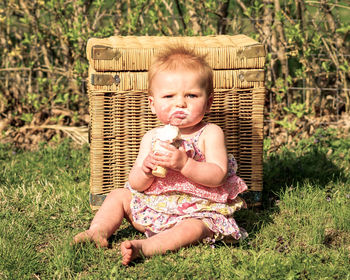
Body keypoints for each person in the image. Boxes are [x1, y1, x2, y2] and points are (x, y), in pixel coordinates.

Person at [73, 45, 248, 266]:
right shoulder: (152, 137)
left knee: (194, 228)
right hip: (155, 206)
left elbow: (218, 175)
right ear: (153, 104)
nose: (180, 103)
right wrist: (146, 169)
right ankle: (98, 232)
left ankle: (145, 247)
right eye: (169, 96)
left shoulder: (210, 133)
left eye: (192, 95)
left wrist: (185, 164)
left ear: (208, 102)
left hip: (196, 209)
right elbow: (136, 184)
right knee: (118, 195)